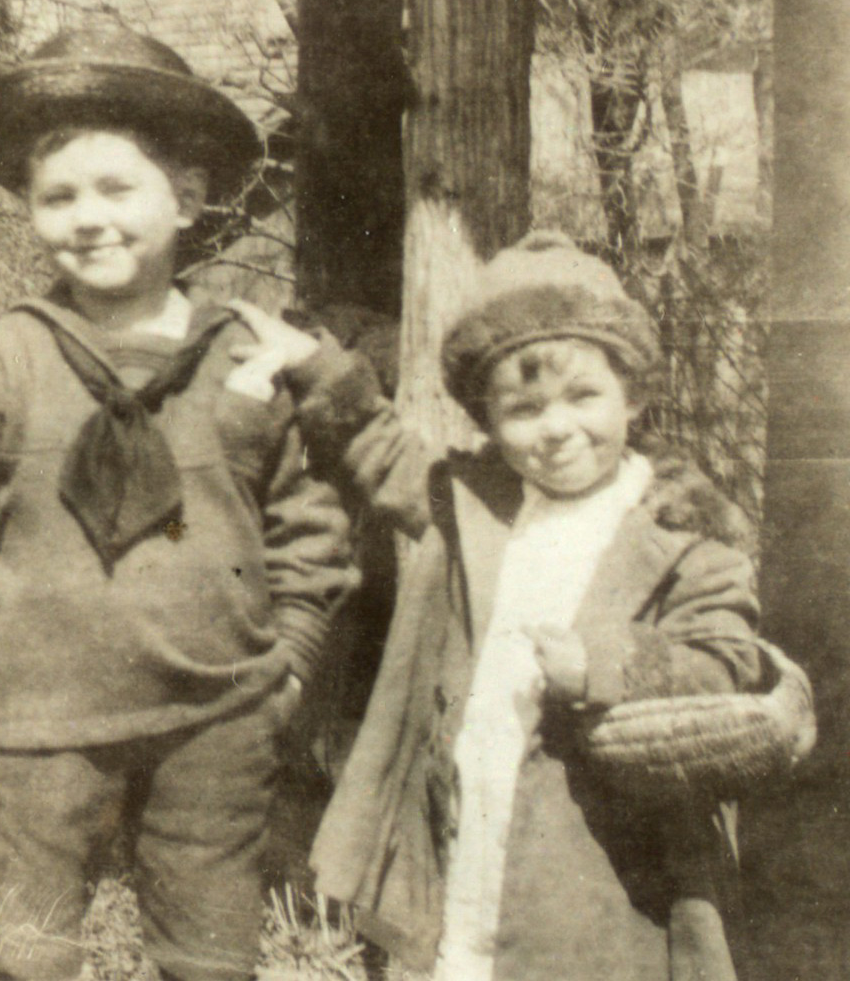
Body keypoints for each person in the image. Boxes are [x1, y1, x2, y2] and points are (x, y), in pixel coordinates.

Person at [0, 26, 351, 981]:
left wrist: (292, 667)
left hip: (220, 715)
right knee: (23, 953)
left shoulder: (247, 354)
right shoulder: (8, 357)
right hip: (44, 726)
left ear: (186, 199)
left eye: (117, 190)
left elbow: (309, 528)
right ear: (29, 210)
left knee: (210, 953)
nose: (87, 219)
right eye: (58, 197)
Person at [229, 231, 778, 981]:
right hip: (465, 820)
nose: (556, 429)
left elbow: (725, 662)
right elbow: (379, 447)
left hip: (595, 858)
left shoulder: (684, 533)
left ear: (636, 395)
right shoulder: (479, 503)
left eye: (584, 397)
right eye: (523, 408)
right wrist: (313, 363)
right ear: (487, 420)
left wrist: (606, 667)